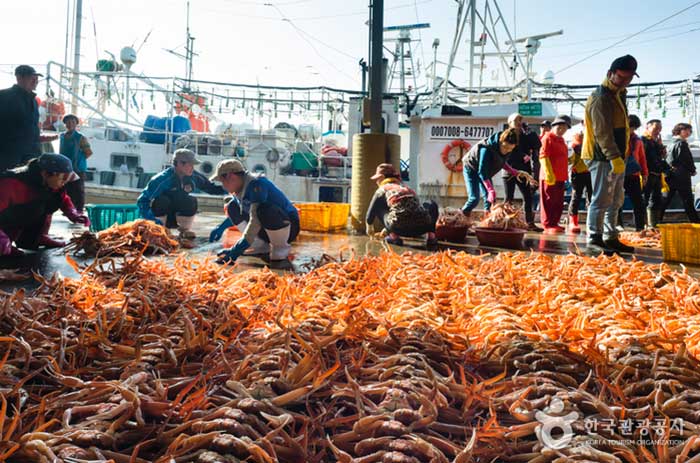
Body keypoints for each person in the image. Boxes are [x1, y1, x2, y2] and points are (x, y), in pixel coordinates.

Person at [581, 55, 639, 253]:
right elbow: (602, 132)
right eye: (621, 78)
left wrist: (621, 156)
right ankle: (594, 237)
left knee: (616, 199)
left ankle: (610, 236)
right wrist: (614, 156)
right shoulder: (600, 97)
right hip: (600, 155)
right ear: (610, 74)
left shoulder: (619, 94)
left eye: (629, 79)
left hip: (616, 156)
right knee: (601, 198)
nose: (625, 82)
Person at [209, 159, 300, 263]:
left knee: (264, 210)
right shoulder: (240, 188)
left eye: (222, 181)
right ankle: (259, 246)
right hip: (266, 228)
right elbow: (242, 211)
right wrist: (221, 227)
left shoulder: (257, 184)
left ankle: (280, 250)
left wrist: (236, 249)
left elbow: (255, 220)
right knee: (231, 206)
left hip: (288, 227)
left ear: (231, 176)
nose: (223, 186)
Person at [0, 153, 89, 256]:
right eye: (63, 179)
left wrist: (73, 213)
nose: (64, 183)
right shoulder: (11, 184)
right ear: (46, 174)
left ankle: (38, 237)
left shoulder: (51, 184)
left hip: (17, 225)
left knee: (49, 201)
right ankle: (5, 243)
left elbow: (63, 199)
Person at [137, 148, 226, 238]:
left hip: (178, 212)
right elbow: (142, 200)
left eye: (193, 165)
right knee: (162, 200)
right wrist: (152, 220)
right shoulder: (161, 179)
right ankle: (160, 230)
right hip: (163, 213)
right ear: (178, 164)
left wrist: (229, 189)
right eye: (190, 164)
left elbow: (211, 188)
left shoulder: (194, 176)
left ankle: (184, 230)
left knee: (191, 201)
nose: (192, 168)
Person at [365, 163, 438, 247]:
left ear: (382, 177)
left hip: (399, 229)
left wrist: (369, 227)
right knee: (431, 203)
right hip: (421, 228)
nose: (376, 182)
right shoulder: (406, 188)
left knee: (378, 205)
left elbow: (370, 214)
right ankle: (431, 237)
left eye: (377, 179)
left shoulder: (382, 189)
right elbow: (413, 208)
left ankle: (393, 237)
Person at [0, 65, 57, 171]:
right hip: (8, 159)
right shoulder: (3, 97)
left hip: (30, 158)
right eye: (32, 77)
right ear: (19, 78)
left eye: (37, 78)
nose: (36, 81)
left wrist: (42, 138)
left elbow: (31, 129)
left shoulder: (34, 102)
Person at [461, 128, 529, 216]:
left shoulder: (506, 149)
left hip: (485, 171)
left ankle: (487, 221)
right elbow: (482, 172)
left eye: (510, 149)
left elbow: (501, 162)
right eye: (505, 147)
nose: (507, 151)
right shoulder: (486, 149)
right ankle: (461, 216)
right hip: (471, 168)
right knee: (474, 199)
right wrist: (490, 189)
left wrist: (513, 171)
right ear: (500, 142)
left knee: (490, 200)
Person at [502, 113, 543, 231]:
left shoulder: (525, 135)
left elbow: (537, 144)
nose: (519, 123)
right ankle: (504, 221)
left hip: (523, 171)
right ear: (510, 123)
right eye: (516, 121)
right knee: (509, 198)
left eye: (520, 120)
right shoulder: (507, 135)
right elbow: (507, 150)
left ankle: (529, 223)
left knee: (528, 196)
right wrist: (522, 155)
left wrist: (529, 132)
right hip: (509, 170)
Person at [659, 123, 699, 223]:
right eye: (687, 130)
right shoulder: (681, 143)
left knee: (667, 199)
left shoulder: (670, 144)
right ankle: (695, 221)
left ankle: (657, 219)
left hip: (671, 175)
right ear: (680, 130)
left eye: (690, 130)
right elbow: (685, 159)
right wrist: (692, 170)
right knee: (688, 199)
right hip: (682, 175)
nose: (689, 132)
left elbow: (668, 159)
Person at [539, 116, 571, 234]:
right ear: (554, 126)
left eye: (565, 128)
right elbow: (543, 155)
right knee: (548, 200)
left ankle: (555, 223)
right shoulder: (547, 138)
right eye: (560, 127)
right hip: (549, 176)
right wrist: (548, 173)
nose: (562, 130)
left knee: (558, 201)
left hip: (561, 176)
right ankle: (548, 224)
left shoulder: (561, 140)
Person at [618, 115, 648, 231]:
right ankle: (618, 224)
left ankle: (640, 227)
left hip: (633, 175)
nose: (632, 130)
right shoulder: (618, 138)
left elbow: (642, 158)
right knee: (617, 201)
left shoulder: (638, 141)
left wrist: (644, 174)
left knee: (638, 202)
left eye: (634, 128)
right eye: (630, 127)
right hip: (618, 174)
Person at [59, 114, 93, 213]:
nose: (70, 124)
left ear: (76, 124)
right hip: (65, 169)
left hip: (78, 169)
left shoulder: (80, 138)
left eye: (73, 122)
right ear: (65, 124)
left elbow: (88, 152)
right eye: (68, 122)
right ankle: (68, 209)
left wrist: (78, 161)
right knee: (67, 190)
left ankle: (79, 210)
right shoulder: (62, 136)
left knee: (78, 190)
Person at [641, 119, 669, 227]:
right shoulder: (643, 140)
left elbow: (662, 157)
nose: (658, 130)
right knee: (644, 199)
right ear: (647, 127)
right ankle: (643, 225)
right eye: (656, 128)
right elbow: (641, 157)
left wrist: (661, 146)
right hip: (648, 174)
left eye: (660, 128)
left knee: (656, 200)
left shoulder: (655, 142)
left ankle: (653, 224)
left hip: (657, 175)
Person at [567, 126, 592, 234]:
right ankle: (573, 221)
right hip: (577, 173)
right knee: (576, 196)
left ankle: (591, 221)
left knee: (591, 197)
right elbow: (569, 161)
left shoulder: (591, 144)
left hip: (590, 172)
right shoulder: (573, 146)